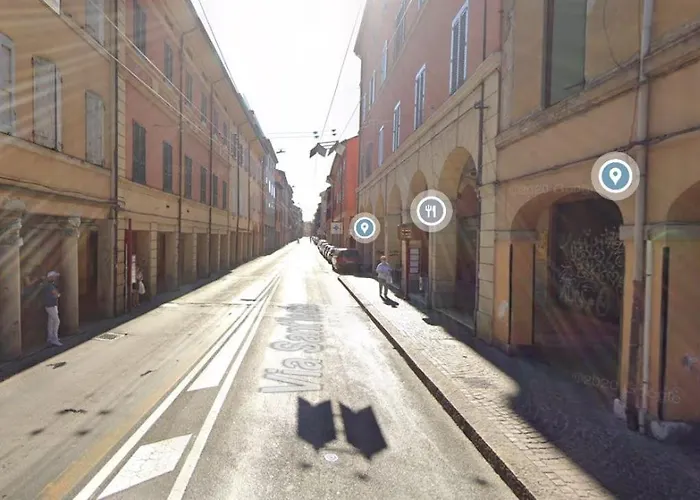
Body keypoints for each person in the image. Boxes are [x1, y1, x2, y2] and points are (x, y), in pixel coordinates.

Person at [44, 271, 62, 347]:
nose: (56, 278)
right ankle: (55, 339)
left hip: (51, 305)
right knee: (57, 321)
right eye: (54, 276)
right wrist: (58, 295)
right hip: (51, 305)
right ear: (50, 277)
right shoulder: (50, 285)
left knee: (51, 322)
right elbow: (56, 294)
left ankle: (50, 338)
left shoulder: (50, 285)